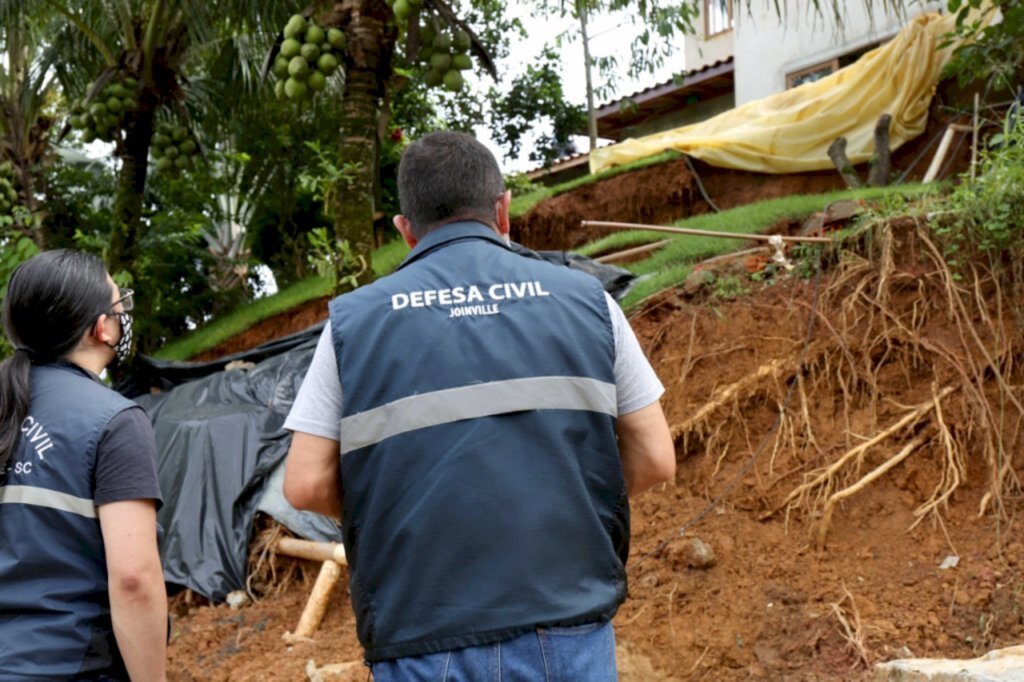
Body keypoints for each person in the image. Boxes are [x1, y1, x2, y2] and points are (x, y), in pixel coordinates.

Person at [283, 131, 675, 680]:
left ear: (405, 229)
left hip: (421, 632)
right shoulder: (590, 303)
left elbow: (304, 485)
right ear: (504, 209)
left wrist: (405, 517)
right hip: (567, 622)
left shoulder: (352, 323)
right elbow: (656, 457)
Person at [0, 250, 167, 681]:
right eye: (118, 304)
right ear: (101, 327)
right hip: (69, 666)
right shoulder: (114, 421)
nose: (124, 315)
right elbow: (134, 580)